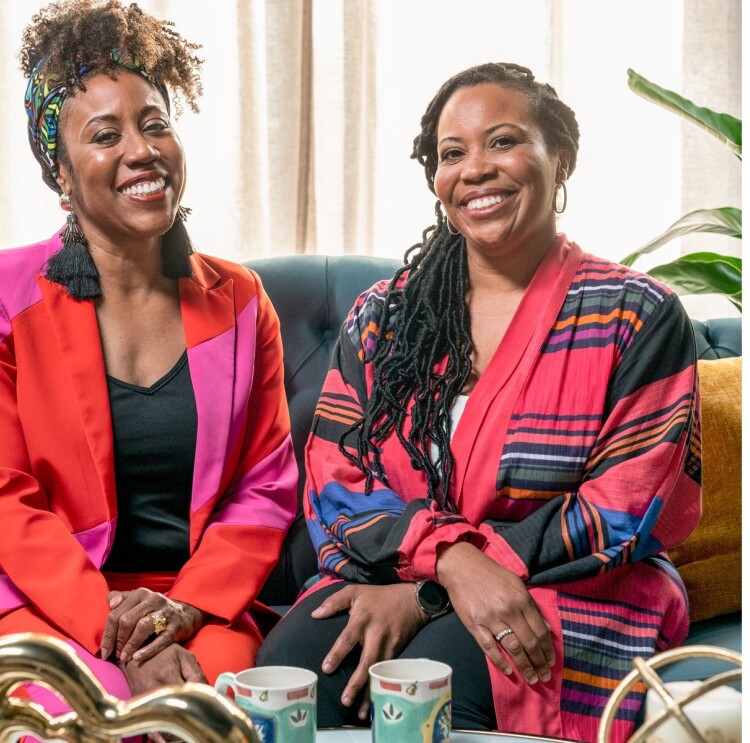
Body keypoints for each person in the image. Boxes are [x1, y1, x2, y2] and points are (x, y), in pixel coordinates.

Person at [256, 62, 702, 743]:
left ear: (562, 157)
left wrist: (432, 592)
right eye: (451, 153)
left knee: (444, 685)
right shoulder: (387, 315)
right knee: (293, 674)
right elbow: (338, 479)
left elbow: (626, 505)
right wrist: (449, 568)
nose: (475, 169)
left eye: (502, 142)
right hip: (399, 574)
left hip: (572, 589)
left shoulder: (634, 314)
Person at [0, 0, 297, 717]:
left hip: (189, 601)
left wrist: (180, 612)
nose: (141, 150)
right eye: (104, 134)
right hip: (30, 588)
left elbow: (261, 489)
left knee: (206, 714)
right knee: (88, 710)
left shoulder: (238, 299)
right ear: (60, 171)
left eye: (155, 124)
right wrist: (108, 621)